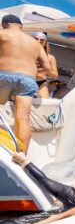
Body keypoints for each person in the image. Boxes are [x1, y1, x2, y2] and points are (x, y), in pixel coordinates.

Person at [0, 14, 50, 150]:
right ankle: (21, 154)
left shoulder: (2, 34)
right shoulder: (35, 43)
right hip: (27, 80)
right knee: (22, 118)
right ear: (21, 27)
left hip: (4, 76)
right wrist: (35, 76)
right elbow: (47, 68)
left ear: (3, 24)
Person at [33, 32, 58, 98]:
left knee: (44, 103)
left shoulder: (50, 58)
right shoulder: (26, 54)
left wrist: (45, 68)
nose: (38, 41)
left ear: (45, 43)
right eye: (36, 39)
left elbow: (55, 76)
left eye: (42, 40)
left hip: (41, 82)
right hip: (27, 80)